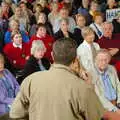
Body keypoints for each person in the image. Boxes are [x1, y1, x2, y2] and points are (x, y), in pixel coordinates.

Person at [9, 38, 120, 120]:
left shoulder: (30, 80)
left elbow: (15, 113)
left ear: (52, 55)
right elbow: (96, 117)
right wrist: (90, 87)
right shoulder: (83, 87)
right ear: (76, 59)